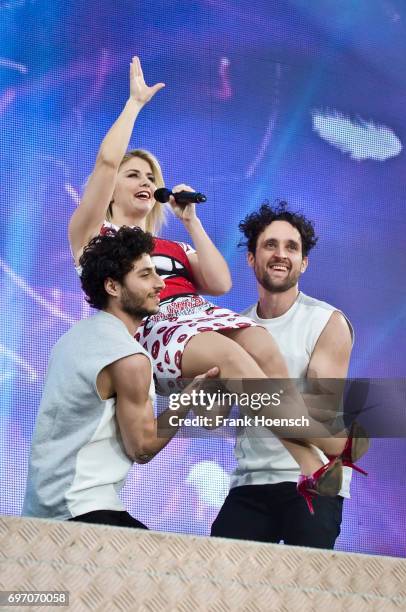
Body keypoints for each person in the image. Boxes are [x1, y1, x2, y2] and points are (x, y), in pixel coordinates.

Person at [68, 56, 363, 508]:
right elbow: (107, 162)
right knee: (232, 354)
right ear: (111, 190)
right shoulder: (96, 237)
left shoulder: (168, 247)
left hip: (200, 318)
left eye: (152, 177)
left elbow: (221, 284)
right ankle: (327, 443)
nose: (145, 181)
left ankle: (310, 466)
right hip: (158, 334)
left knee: (260, 342)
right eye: (134, 175)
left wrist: (190, 221)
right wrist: (133, 105)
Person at [22, 226, 219, 527]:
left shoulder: (71, 339)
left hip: (41, 511)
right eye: (145, 275)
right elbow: (142, 448)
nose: (160, 284)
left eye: (156, 272)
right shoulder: (129, 357)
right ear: (113, 287)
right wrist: (185, 400)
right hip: (84, 509)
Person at [211, 202, 368, 546]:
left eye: (291, 247)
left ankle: (340, 446)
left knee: (303, 590)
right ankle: (344, 444)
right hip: (250, 482)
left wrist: (247, 383)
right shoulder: (233, 329)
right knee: (222, 588)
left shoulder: (327, 321)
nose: (281, 254)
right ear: (251, 258)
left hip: (314, 484)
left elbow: (316, 412)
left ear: (304, 262)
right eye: (270, 245)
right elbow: (214, 416)